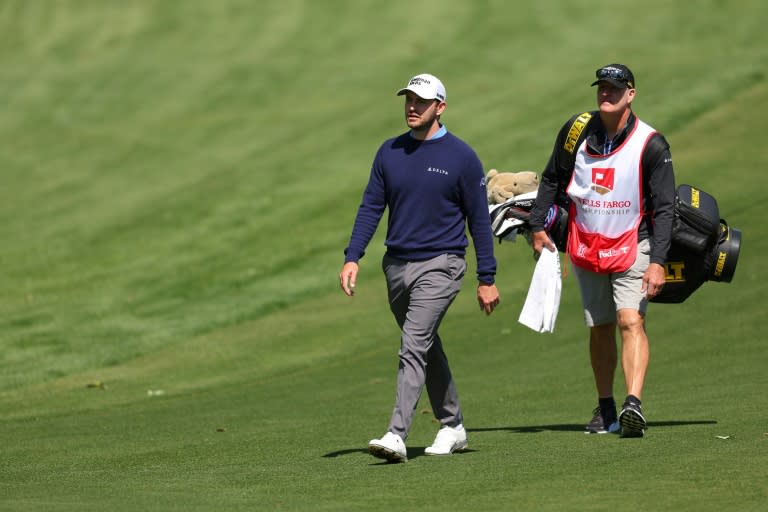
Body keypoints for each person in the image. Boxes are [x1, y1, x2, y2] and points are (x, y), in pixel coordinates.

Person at [339, 73, 501, 462]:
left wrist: (487, 278)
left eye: (421, 101)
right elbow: (370, 208)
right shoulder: (389, 152)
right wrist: (353, 255)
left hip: (442, 264)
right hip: (395, 266)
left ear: (440, 107)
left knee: (413, 343)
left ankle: (396, 434)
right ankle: (453, 425)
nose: (412, 107)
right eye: (408, 99)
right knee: (424, 345)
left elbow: (478, 220)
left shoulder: (461, 157)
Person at [528, 64, 676, 437]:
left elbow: (664, 209)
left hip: (633, 243)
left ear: (631, 94)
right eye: (601, 88)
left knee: (631, 321)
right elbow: (551, 179)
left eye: (614, 88)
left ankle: (633, 404)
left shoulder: (650, 143)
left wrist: (658, 262)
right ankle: (606, 406)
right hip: (586, 243)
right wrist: (536, 227)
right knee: (600, 328)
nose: (605, 94)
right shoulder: (576, 131)